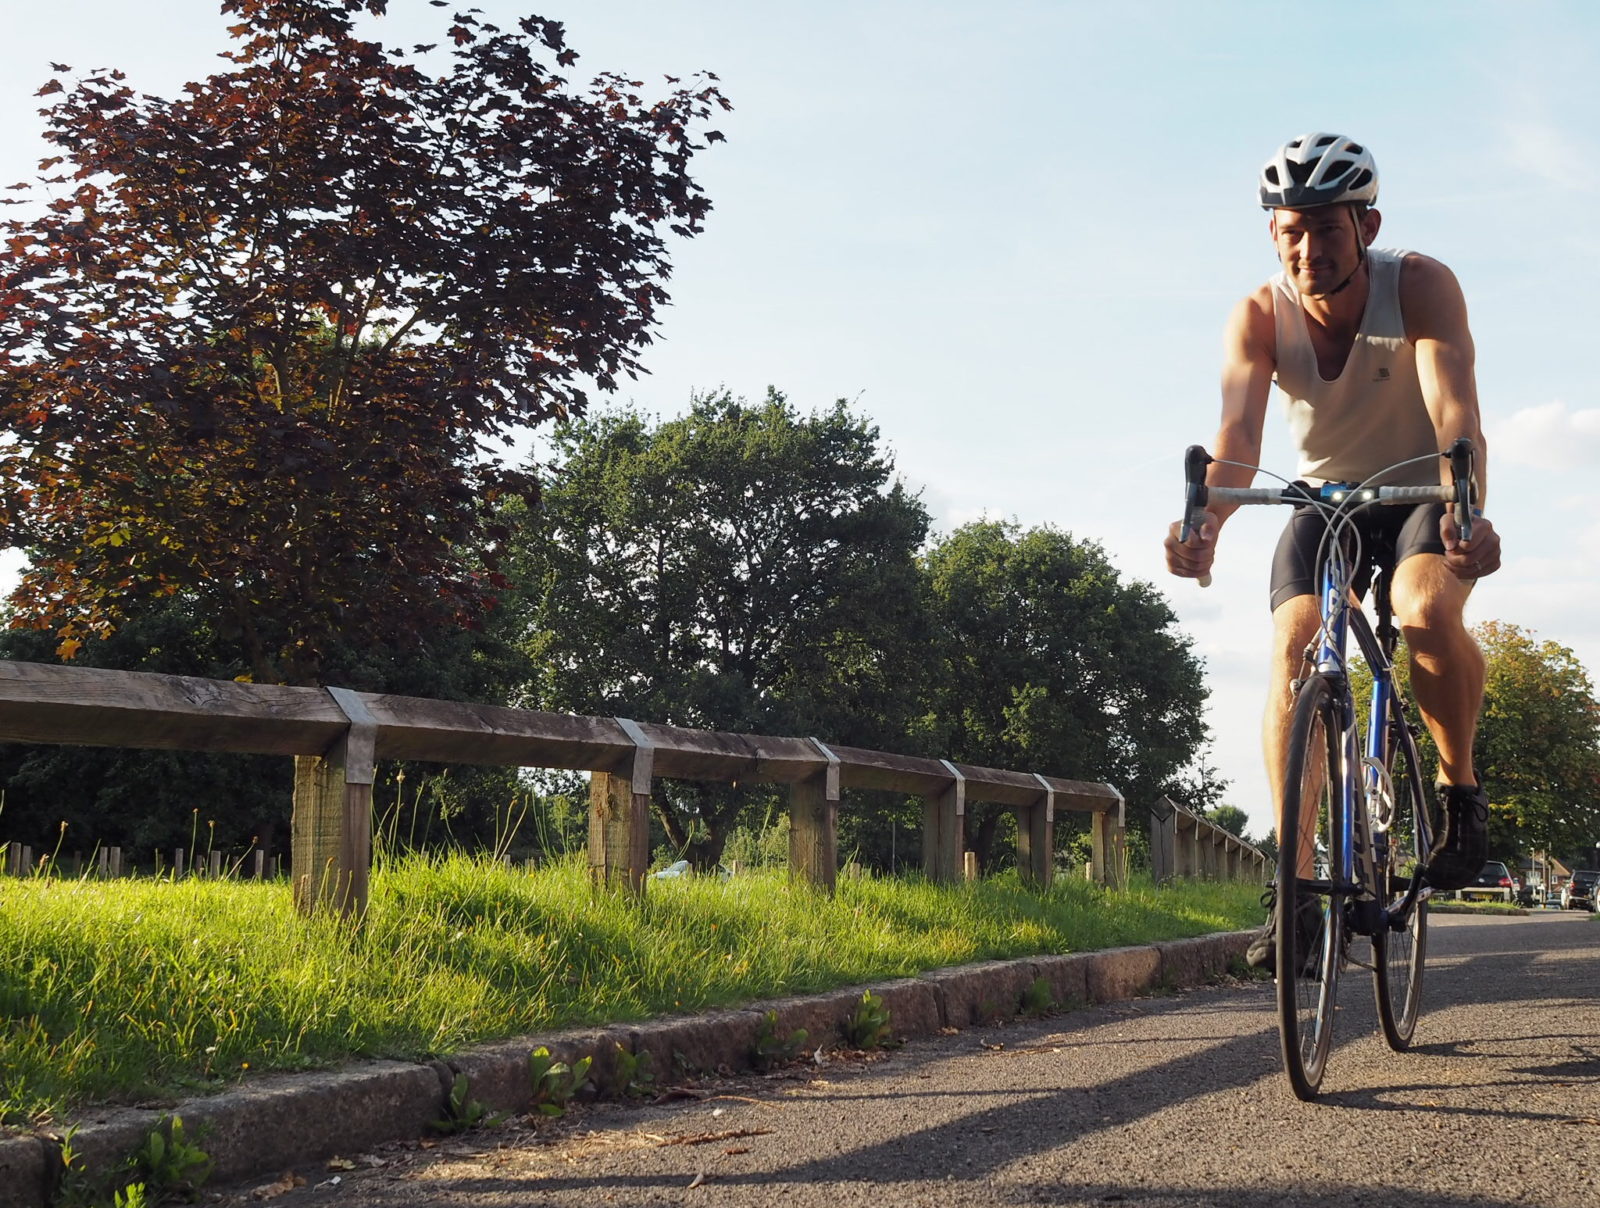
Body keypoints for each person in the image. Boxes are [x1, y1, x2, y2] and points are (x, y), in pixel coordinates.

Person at [1164, 133, 1503, 969]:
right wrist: (1206, 522)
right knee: (1294, 640)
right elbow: (1238, 438)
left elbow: (1455, 411)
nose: (1307, 248)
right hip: (1325, 498)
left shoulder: (1419, 284)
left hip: (1423, 486)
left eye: (1326, 229)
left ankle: (1460, 795)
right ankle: (1296, 885)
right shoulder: (1257, 315)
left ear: (1367, 225)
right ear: (1272, 235)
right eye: (1290, 231)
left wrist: (1465, 511)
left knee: (1420, 608)